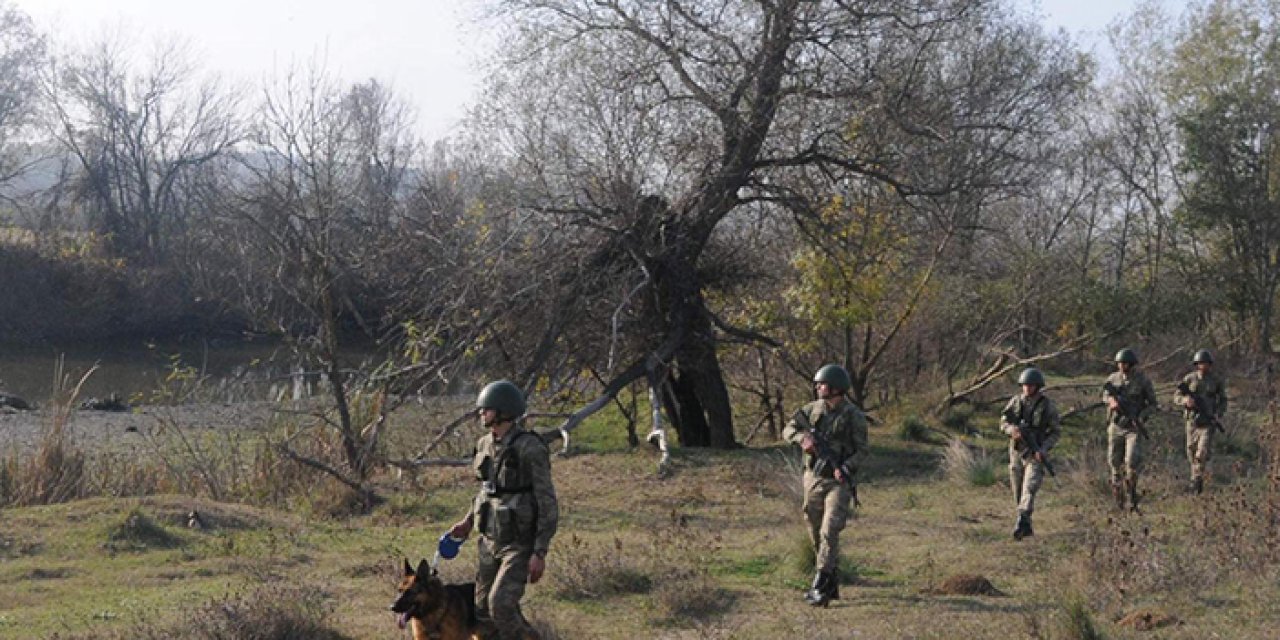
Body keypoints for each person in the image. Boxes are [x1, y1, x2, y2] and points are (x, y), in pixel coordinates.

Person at [448, 380, 558, 639]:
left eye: (486, 409)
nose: (481, 414)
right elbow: (487, 491)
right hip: (489, 539)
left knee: (502, 606)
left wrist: (539, 551)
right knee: (482, 611)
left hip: (519, 544)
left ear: (503, 412)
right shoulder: (484, 444)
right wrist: (466, 523)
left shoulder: (530, 447)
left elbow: (547, 501)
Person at [782, 364, 869, 607]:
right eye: (818, 384)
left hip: (838, 482)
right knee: (813, 525)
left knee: (829, 530)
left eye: (823, 384)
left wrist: (847, 468)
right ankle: (831, 579)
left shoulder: (854, 416)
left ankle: (819, 583)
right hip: (813, 478)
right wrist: (802, 439)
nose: (818, 387)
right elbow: (788, 428)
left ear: (836, 389)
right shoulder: (811, 410)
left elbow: (863, 450)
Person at [999, 367, 1061, 540]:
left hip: (1035, 452)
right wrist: (1012, 430)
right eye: (1025, 384)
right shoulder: (1015, 402)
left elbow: (1056, 432)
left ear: (1038, 386)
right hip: (1017, 450)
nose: (1027, 388)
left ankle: (1022, 519)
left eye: (1031, 385)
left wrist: (1044, 449)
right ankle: (1026, 524)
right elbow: (1003, 422)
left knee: (1030, 486)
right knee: (1017, 488)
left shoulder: (1047, 405)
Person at [1101, 348, 1158, 511]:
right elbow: (1104, 395)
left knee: (1131, 462)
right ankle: (1118, 500)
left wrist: (1141, 417)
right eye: (1119, 363)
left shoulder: (1143, 381)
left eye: (1125, 363)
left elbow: (1153, 404)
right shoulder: (1113, 379)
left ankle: (1132, 495)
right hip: (1115, 426)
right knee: (1114, 463)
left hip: (1133, 428)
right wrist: (1111, 401)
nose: (1122, 366)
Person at [1173, 350, 1228, 494]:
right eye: (1201, 364)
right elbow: (1177, 396)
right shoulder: (1189, 379)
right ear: (1196, 365)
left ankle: (1196, 481)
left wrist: (1218, 414)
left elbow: (1223, 400)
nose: (1203, 366)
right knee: (1191, 450)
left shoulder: (1216, 381)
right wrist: (1185, 401)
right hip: (1192, 421)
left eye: (1206, 364)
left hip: (1208, 421)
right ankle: (1196, 476)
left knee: (1201, 452)